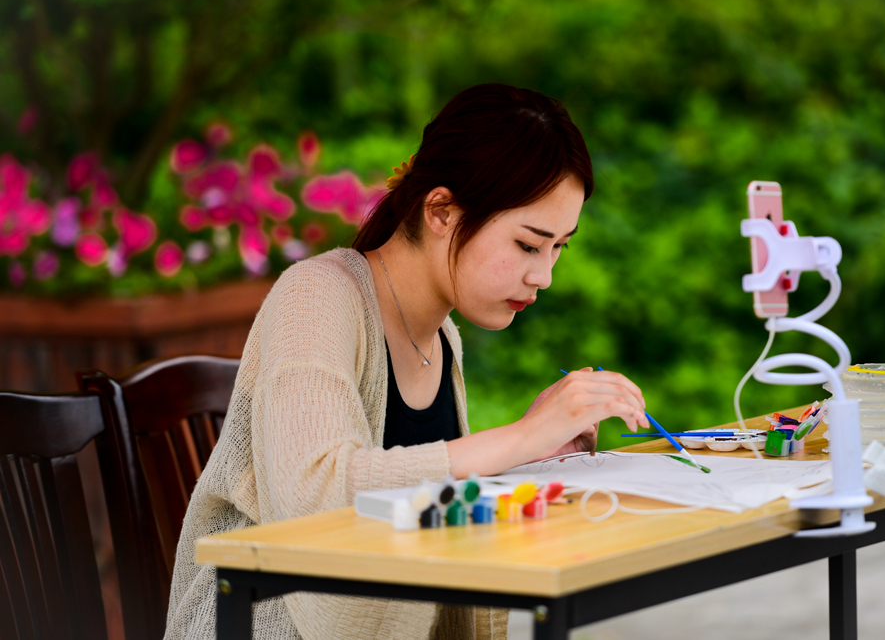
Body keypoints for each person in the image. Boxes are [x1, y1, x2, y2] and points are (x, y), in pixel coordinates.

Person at [163, 83, 648, 640]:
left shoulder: (443, 336)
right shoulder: (318, 295)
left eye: (560, 246)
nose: (545, 276)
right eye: (528, 244)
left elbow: (422, 511)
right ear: (441, 210)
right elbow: (319, 497)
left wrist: (531, 459)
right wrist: (517, 438)